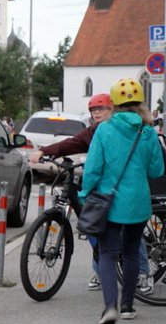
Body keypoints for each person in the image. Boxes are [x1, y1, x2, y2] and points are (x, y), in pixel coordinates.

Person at [29, 93, 154, 295]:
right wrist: (45, 151)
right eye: (93, 110)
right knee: (96, 228)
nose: (97, 113)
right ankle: (101, 271)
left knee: (128, 233)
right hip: (104, 189)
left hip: (126, 190)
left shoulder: (127, 129)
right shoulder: (95, 131)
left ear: (113, 109)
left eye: (101, 109)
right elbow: (72, 143)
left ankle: (141, 273)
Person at [79, 78, 164, 324]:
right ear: (141, 104)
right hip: (137, 202)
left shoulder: (105, 129)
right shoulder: (147, 131)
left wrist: (86, 193)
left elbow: (93, 168)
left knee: (107, 252)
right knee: (130, 252)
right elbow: (157, 170)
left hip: (109, 201)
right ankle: (127, 306)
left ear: (114, 103)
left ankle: (109, 308)